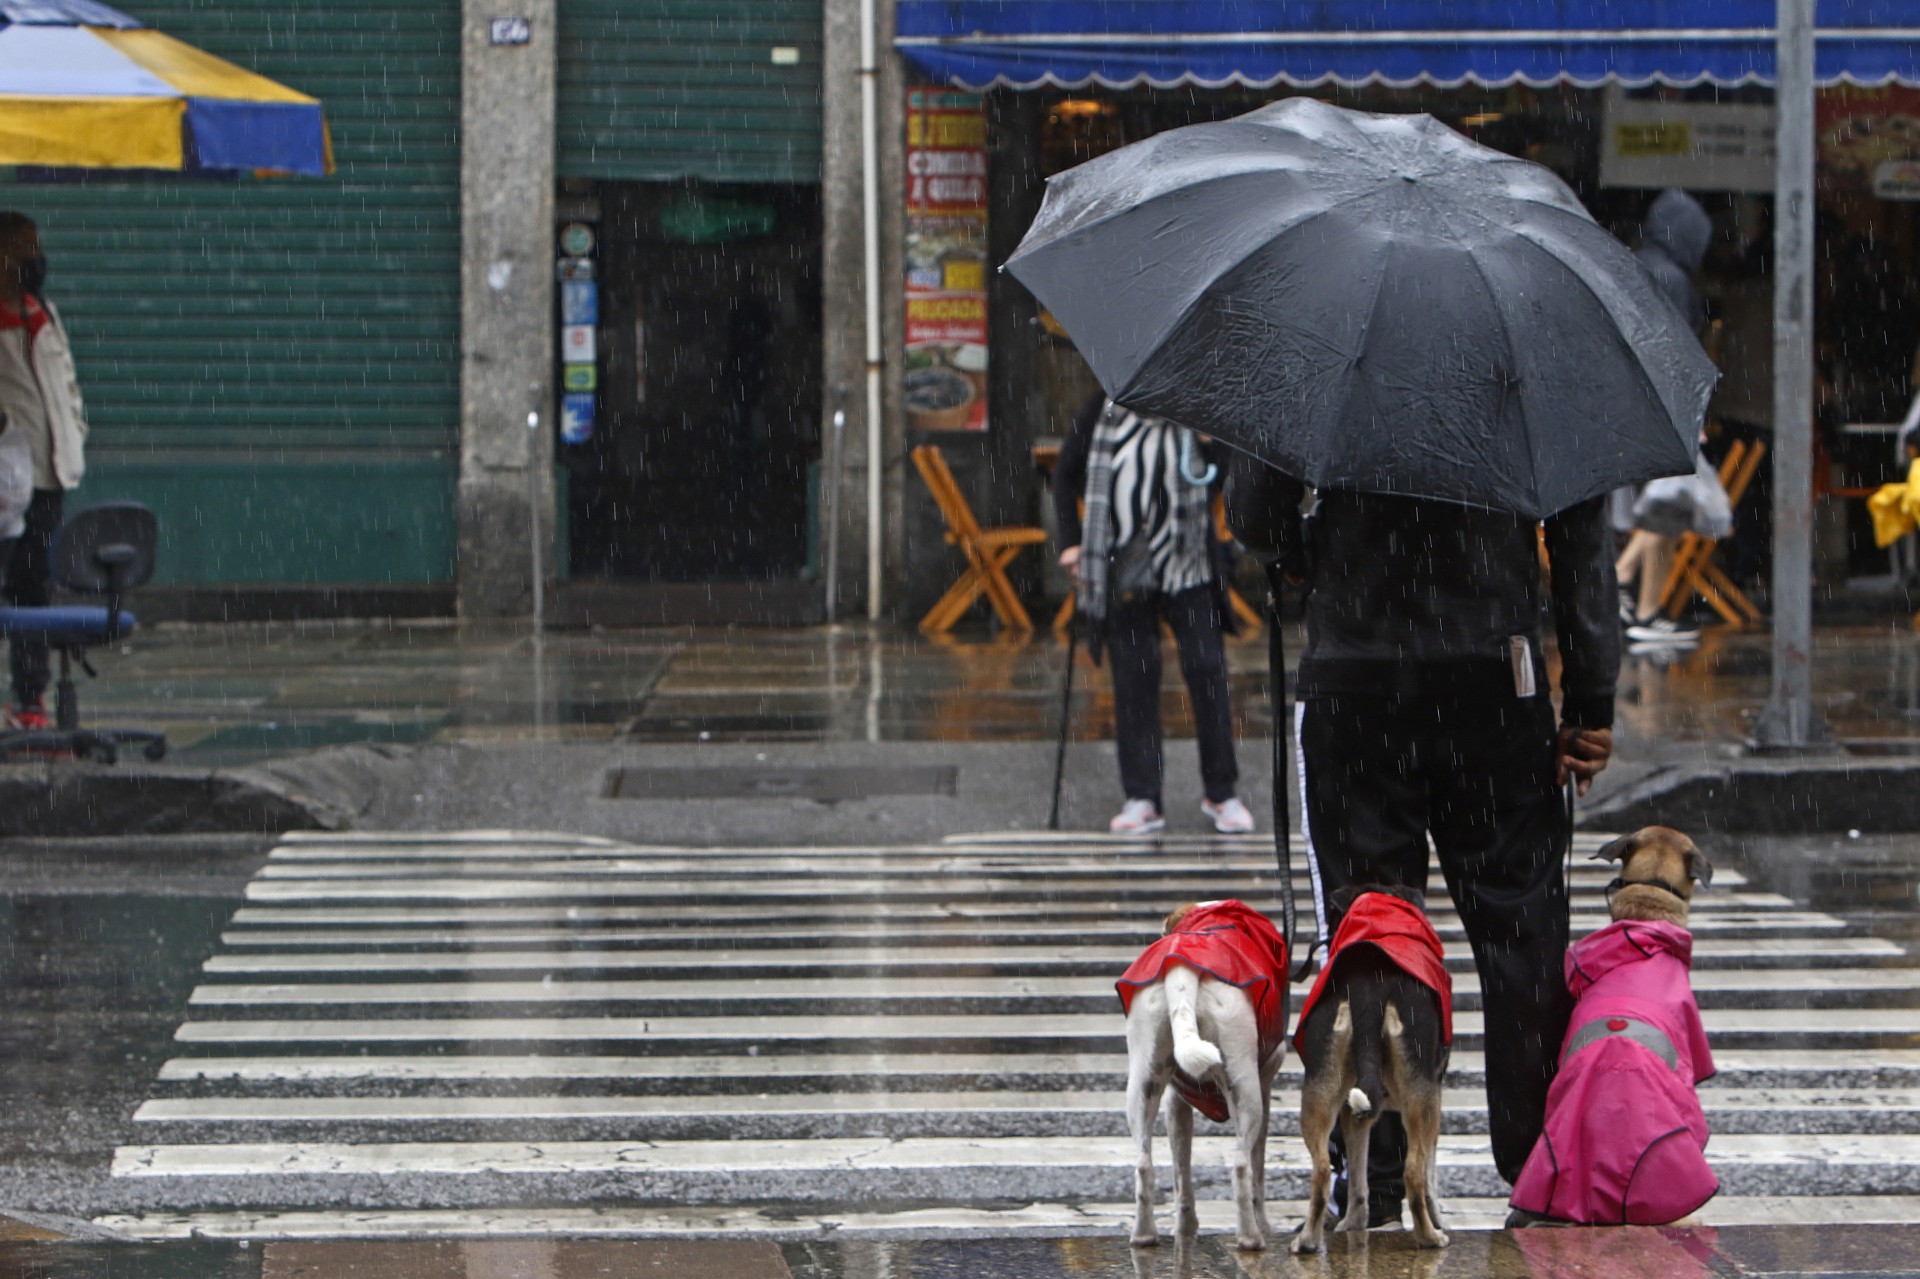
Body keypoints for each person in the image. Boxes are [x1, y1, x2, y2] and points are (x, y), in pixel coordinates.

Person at [1225, 456, 1620, 1227]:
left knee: (1370, 931)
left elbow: (1256, 510)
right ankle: (1539, 1164)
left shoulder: (1326, 341)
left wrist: (1312, 553)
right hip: (1494, 679)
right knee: (1521, 934)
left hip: (1357, 674)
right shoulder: (1527, 351)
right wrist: (1591, 695)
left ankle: (1370, 1170)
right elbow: (1581, 537)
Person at [1053, 394, 1253, 835]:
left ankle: (1222, 791)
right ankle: (1142, 795)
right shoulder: (1100, 411)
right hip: (1123, 567)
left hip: (1189, 565)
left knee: (1207, 672)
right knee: (1135, 680)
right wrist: (1071, 542)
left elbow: (1224, 479)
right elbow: (1065, 478)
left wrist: (1209, 442)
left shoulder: (1191, 409)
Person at [0, 212, 88, 730]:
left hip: (50, 478)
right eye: (23, 249)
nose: (36, 260)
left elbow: (68, 383)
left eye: (37, 248)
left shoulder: (44, 315)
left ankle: (30, 699)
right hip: (7, 481)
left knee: (34, 588)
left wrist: (75, 429)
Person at [1616, 189, 1713, 647]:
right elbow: (1672, 351)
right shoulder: (1672, 278)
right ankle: (1638, 594)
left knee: (1658, 506)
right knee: (1666, 508)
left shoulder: (1634, 265)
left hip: (1629, 407)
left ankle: (1635, 595)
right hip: (1660, 409)